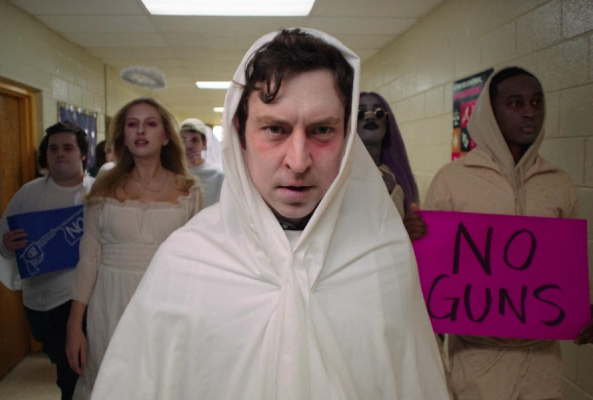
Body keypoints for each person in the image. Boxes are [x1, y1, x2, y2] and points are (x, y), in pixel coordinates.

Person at [90, 28, 449, 400]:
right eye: (275, 129)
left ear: (347, 142)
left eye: (322, 130)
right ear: (240, 137)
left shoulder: (382, 256)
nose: (298, 161)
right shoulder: (186, 262)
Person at [420, 67, 592, 400]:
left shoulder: (558, 183)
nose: (530, 112)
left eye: (537, 102)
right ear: (490, 113)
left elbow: (571, 269)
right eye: (515, 103)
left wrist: (583, 311)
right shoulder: (453, 180)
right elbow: (434, 282)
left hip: (542, 364)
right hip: (475, 363)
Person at [65, 98, 202, 399]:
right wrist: (75, 325)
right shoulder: (102, 187)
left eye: (150, 123)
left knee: (160, 384)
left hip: (167, 305)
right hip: (110, 302)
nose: (141, 130)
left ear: (166, 136)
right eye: (132, 124)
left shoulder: (188, 190)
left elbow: (198, 264)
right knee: (112, 382)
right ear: (123, 136)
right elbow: (88, 258)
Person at [0, 121, 93, 400]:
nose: (60, 154)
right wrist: (5, 243)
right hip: (37, 302)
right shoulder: (29, 192)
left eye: (68, 148)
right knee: (63, 365)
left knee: (73, 372)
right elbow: (2, 235)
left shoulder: (96, 193)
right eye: (53, 149)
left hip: (76, 301)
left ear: (82, 154)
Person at [358, 92, 419, 218]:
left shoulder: (400, 179)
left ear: (388, 122)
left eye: (378, 112)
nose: (370, 117)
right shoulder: (338, 177)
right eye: (360, 113)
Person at [179, 118, 225, 208]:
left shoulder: (218, 175)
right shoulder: (173, 173)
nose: (189, 146)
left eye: (195, 140)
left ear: (204, 144)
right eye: (183, 140)